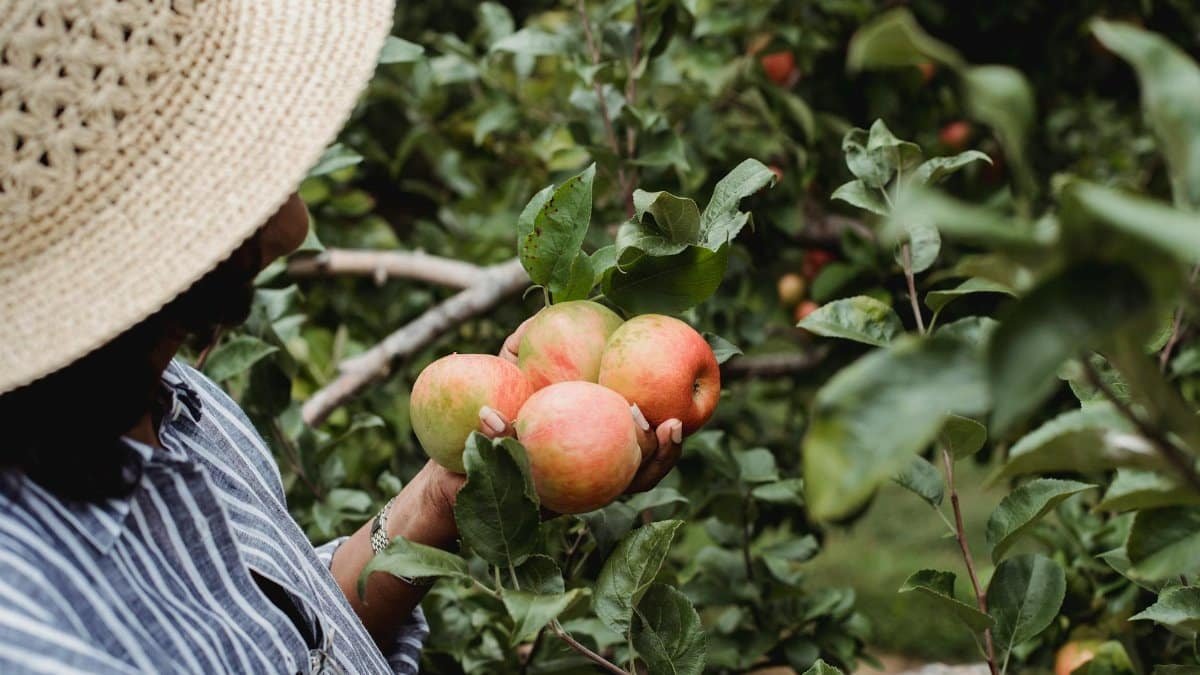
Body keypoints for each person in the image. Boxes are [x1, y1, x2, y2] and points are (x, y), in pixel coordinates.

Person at [0, 2, 684, 673]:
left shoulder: (163, 390)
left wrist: (459, 486)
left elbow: (299, 642)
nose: (291, 216)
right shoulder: (37, 636)